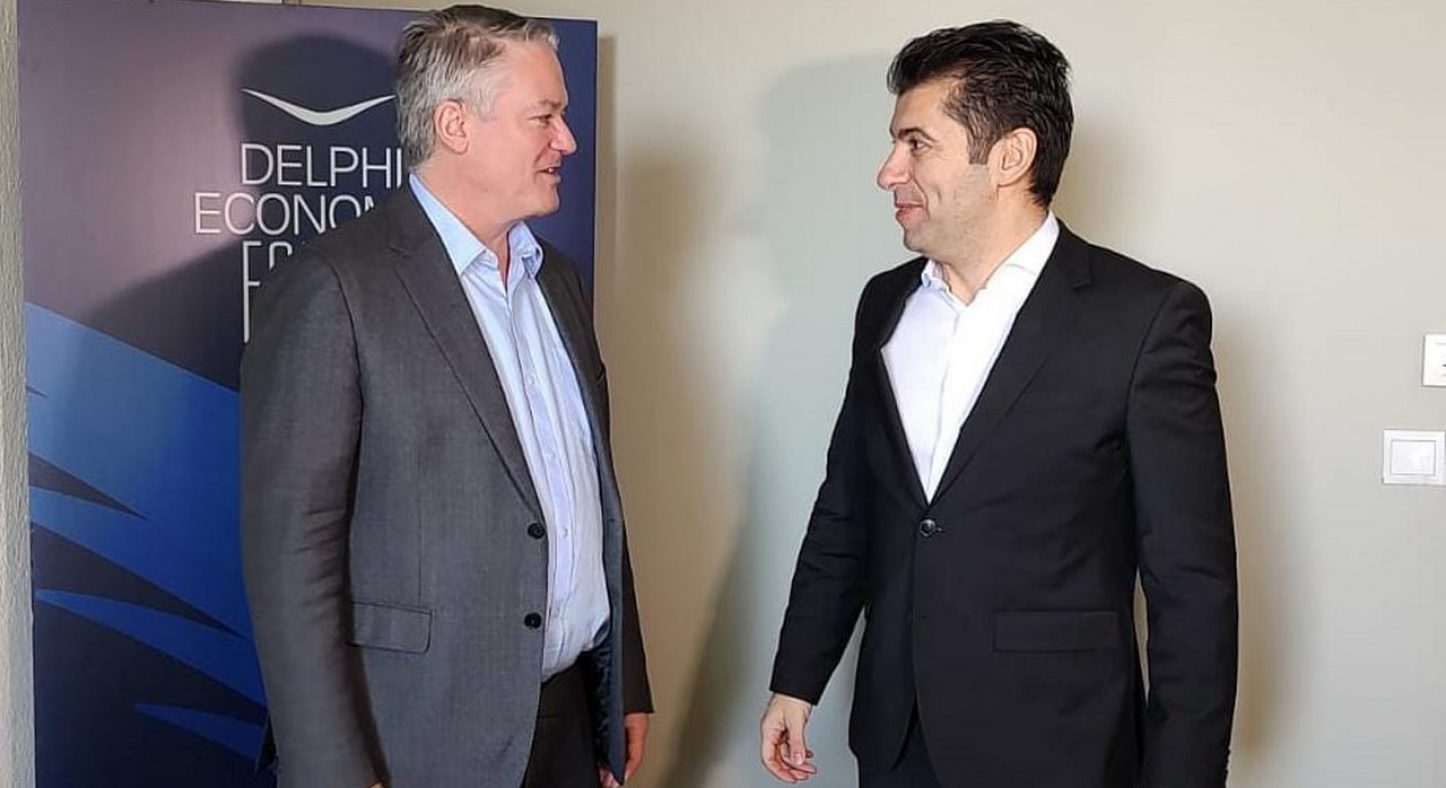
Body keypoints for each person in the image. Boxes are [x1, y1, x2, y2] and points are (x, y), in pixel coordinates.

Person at [761, 20, 1237, 788]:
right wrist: (797, 679)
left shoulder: (1146, 318)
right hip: (895, 736)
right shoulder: (883, 305)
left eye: (916, 144)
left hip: (1061, 744)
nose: (888, 172)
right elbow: (846, 509)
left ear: (1011, 157)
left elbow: (1191, 583)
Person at [241, 7, 651, 787]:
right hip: (410, 739)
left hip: (565, 723)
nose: (568, 140)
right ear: (455, 124)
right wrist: (332, 769)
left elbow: (588, 493)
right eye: (544, 116)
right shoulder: (334, 286)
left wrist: (620, 682)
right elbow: (291, 555)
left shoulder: (559, 281)